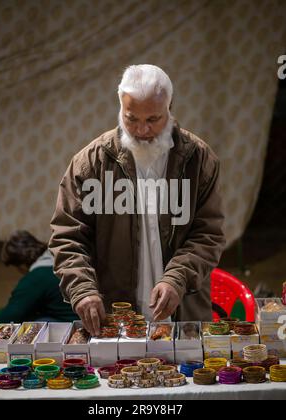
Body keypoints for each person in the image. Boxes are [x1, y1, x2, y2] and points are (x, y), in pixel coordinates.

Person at [49, 64, 226, 337]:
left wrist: (177, 278)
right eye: (131, 119)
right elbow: (67, 236)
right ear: (120, 108)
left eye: (153, 119)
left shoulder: (199, 160)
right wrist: (82, 289)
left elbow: (208, 235)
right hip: (114, 317)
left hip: (183, 314)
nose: (142, 130)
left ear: (169, 108)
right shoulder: (91, 163)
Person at [0, 230, 79, 323]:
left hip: (76, 324)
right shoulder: (59, 257)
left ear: (21, 265)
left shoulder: (36, 277)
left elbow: (8, 318)